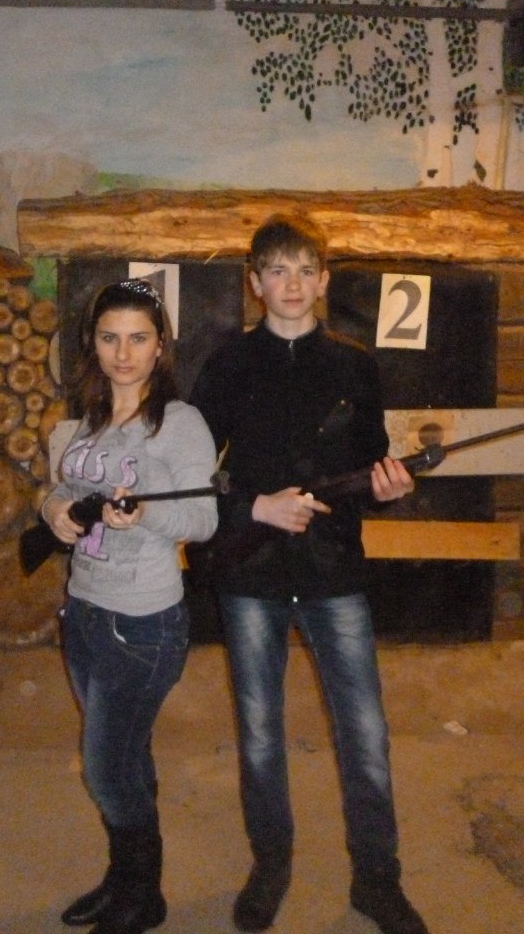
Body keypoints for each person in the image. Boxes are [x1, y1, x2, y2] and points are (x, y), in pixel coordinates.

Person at [190, 213, 429, 934]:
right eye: (277, 271)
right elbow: (192, 474)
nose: (291, 284)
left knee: (365, 733)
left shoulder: (356, 365)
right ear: (255, 284)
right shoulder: (228, 364)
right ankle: (271, 865)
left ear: (323, 282)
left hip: (334, 572)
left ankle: (377, 879)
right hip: (252, 575)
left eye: (304, 271)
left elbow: (371, 466)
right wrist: (255, 507)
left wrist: (389, 488)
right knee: (261, 734)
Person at [41, 278, 218, 934]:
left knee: (106, 769)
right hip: (83, 612)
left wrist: (143, 515)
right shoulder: (88, 418)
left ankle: (142, 896)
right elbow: (60, 486)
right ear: (92, 343)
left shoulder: (179, 423)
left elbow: (202, 519)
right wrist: (54, 509)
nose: (123, 353)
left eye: (138, 338)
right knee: (127, 756)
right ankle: (127, 884)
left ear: (160, 346)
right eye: (110, 337)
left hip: (142, 623)